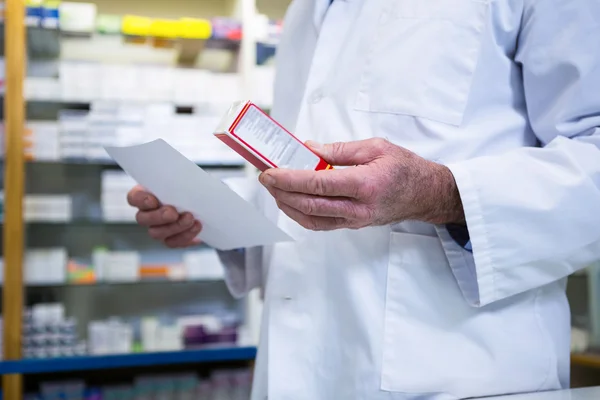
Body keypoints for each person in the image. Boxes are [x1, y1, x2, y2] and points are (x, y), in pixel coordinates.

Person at [127, 0, 600, 398]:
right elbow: (305, 171)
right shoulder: (305, 10)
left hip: (455, 369)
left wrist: (439, 193)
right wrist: (216, 221)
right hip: (294, 370)